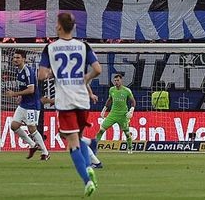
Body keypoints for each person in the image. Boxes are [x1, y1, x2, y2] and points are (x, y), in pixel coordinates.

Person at [38, 12, 104, 196]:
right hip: (83, 100)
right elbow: (98, 69)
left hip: (65, 101)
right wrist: (87, 78)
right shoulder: (83, 46)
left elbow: (42, 76)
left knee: (72, 143)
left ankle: (87, 180)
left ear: (59, 26)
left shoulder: (50, 48)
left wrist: (54, 73)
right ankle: (89, 159)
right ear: (73, 27)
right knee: (76, 136)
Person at [7, 50, 49, 160]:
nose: (15, 60)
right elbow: (24, 87)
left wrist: (14, 94)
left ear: (24, 59)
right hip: (24, 104)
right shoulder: (18, 71)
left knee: (32, 129)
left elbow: (31, 89)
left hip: (32, 105)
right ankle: (33, 144)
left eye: (18, 57)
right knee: (14, 126)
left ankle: (45, 153)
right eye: (14, 58)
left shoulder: (28, 71)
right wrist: (20, 96)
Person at [97, 74, 136, 152]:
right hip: (113, 114)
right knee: (101, 129)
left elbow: (133, 101)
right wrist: (104, 109)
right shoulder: (112, 90)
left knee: (127, 133)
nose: (116, 82)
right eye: (115, 80)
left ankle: (130, 148)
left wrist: (131, 110)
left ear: (121, 80)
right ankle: (94, 146)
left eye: (118, 80)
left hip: (123, 115)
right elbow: (110, 99)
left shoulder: (127, 90)